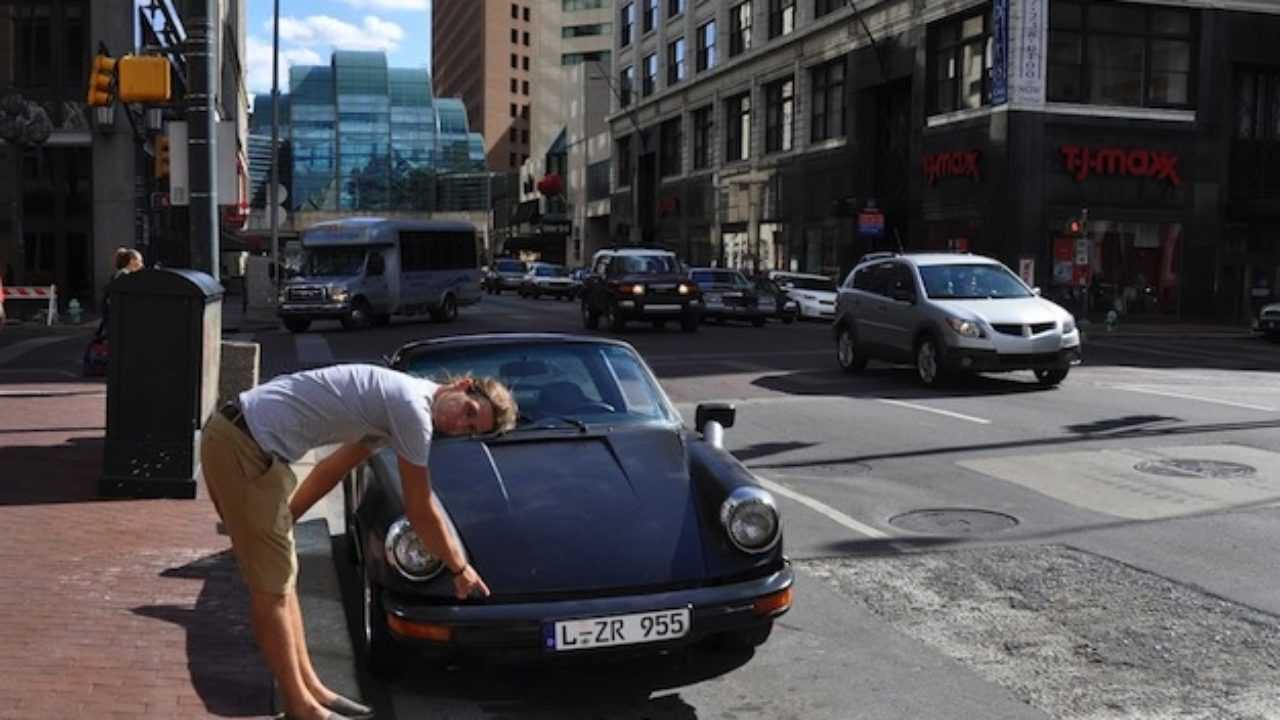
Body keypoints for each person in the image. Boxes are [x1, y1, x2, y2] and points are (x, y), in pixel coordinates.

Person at [200, 365, 517, 720]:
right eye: (468, 412)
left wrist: (288, 517)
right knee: (271, 589)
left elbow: (331, 469)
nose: (459, 424)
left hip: (244, 444)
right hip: (243, 448)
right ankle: (300, 708)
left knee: (284, 581)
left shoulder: (397, 407)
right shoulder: (412, 409)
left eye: (470, 429)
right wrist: (460, 567)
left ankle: (312, 689)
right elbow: (420, 508)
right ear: (462, 385)